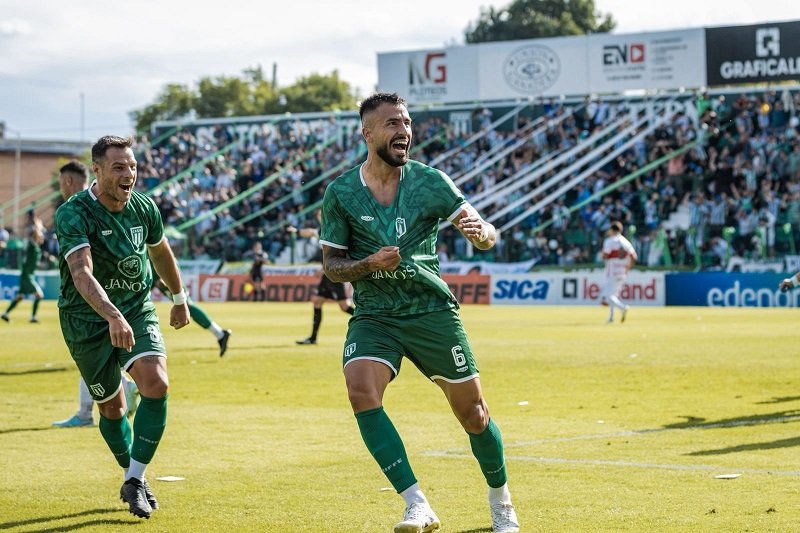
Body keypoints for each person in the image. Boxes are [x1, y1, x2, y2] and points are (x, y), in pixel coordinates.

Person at [319, 93, 519, 533]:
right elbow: (331, 266)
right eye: (392, 123)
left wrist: (481, 233)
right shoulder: (341, 193)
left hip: (430, 310)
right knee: (361, 391)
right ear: (367, 133)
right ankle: (417, 504)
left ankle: (500, 499)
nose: (403, 131)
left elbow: (484, 230)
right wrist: (368, 265)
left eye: (406, 122)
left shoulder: (431, 182)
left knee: (475, 415)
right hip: (375, 314)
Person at [54, 136, 190, 519]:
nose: (128, 174)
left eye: (132, 166)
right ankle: (133, 476)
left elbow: (160, 251)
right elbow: (81, 272)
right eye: (119, 167)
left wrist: (178, 298)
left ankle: (134, 479)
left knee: (156, 383)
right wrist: (111, 315)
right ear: (96, 170)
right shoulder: (74, 213)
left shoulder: (144, 208)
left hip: (135, 307)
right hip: (85, 321)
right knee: (112, 410)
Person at [52, 160, 141, 428]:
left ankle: (88, 410)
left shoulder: (82, 208)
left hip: (94, 299)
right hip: (102, 295)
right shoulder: (81, 208)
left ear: (67, 181)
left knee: (93, 356)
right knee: (99, 357)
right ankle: (118, 390)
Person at [290, 218, 355, 345]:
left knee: (344, 306)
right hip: (327, 275)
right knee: (317, 301)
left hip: (335, 274)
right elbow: (309, 231)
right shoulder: (323, 230)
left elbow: (338, 255)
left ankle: (369, 319)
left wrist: (323, 269)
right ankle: (313, 338)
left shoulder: (336, 232)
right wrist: (296, 231)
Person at [1, 219, 44, 323]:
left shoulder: (36, 247)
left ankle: (5, 314)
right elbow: (33, 234)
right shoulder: (32, 245)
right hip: (27, 276)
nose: (42, 237)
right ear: (36, 236)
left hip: (28, 275)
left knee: (19, 297)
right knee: (39, 295)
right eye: (40, 236)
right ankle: (33, 317)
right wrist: (37, 227)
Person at [601, 220, 638, 323]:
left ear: (612, 230)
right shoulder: (626, 242)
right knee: (613, 295)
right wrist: (628, 267)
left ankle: (623, 308)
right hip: (622, 271)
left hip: (611, 271)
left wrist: (602, 254)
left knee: (608, 296)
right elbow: (634, 257)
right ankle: (611, 317)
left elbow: (605, 255)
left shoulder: (610, 241)